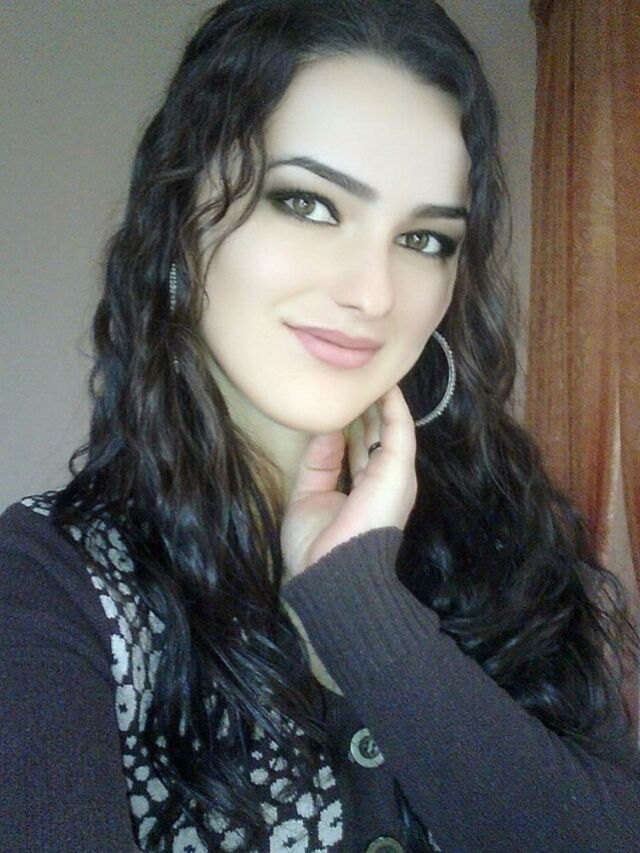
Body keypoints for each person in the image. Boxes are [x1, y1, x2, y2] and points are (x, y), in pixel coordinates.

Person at [1, 1, 639, 850]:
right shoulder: (49, 582)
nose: (373, 293)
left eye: (425, 238)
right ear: (181, 219)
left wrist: (357, 603)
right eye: (307, 203)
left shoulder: (512, 539)